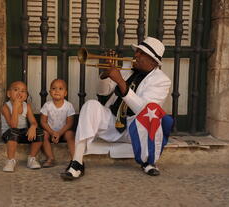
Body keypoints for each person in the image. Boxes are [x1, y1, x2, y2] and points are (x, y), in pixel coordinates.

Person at [60, 36, 171, 180]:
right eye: (137, 51)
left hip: (135, 130)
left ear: (152, 60)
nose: (136, 55)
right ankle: (77, 162)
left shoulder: (162, 81)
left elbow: (144, 110)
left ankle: (148, 161)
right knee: (90, 105)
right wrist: (105, 75)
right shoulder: (128, 69)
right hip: (113, 121)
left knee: (152, 118)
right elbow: (102, 92)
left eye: (141, 53)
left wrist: (120, 82)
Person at [1, 81, 44, 172]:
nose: (20, 93)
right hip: (9, 134)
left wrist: (32, 127)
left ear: (26, 95)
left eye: (23, 91)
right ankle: (10, 161)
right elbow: (13, 125)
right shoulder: (6, 107)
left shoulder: (26, 106)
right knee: (14, 131)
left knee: (40, 132)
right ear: (9, 94)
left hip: (22, 133)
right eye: (16, 90)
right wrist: (15, 107)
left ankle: (31, 158)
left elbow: (34, 122)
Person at [40, 79, 76, 167]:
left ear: (65, 93)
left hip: (63, 132)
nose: (57, 91)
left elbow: (69, 123)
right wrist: (52, 133)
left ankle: (75, 160)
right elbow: (43, 122)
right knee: (43, 134)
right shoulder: (47, 105)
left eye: (60, 88)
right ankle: (50, 158)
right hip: (50, 131)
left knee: (70, 134)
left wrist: (59, 133)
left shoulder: (69, 106)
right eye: (54, 88)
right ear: (50, 92)